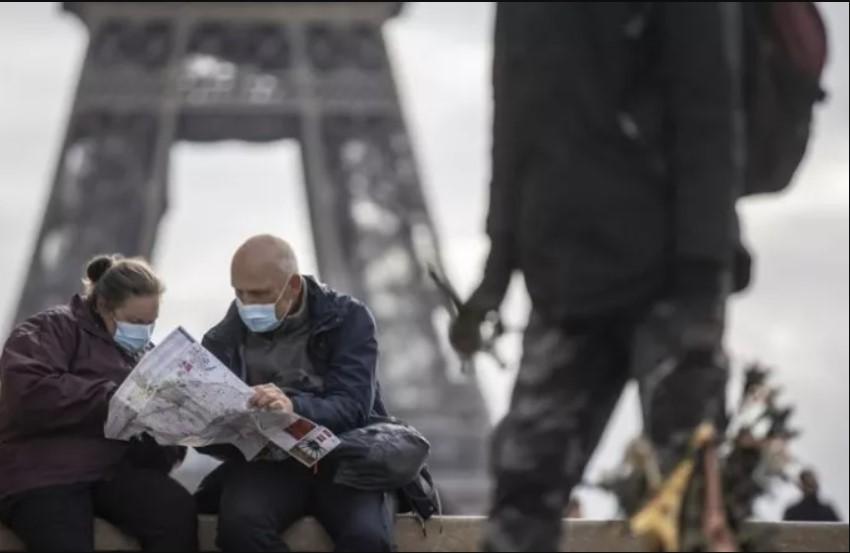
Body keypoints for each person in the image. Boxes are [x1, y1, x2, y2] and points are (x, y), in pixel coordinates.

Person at [450, 4, 752, 551]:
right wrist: (495, 274)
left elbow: (708, 113)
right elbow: (514, 123)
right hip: (573, 281)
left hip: (663, 277)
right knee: (526, 492)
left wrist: (702, 271)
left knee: (682, 499)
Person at [196, 235, 392, 553]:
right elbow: (217, 444)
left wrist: (293, 408)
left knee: (367, 539)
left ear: (294, 287)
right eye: (239, 292)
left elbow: (353, 406)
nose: (247, 304)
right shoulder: (221, 340)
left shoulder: (348, 318)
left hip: (341, 459)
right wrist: (197, 423)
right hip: (268, 464)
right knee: (240, 529)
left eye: (259, 294)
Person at [0, 255, 197, 552]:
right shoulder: (50, 328)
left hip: (110, 472)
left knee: (175, 510)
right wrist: (114, 399)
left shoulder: (147, 357)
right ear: (104, 305)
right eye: (135, 322)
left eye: (150, 323)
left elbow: (159, 459)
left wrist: (170, 428)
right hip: (44, 473)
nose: (144, 332)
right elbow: (28, 392)